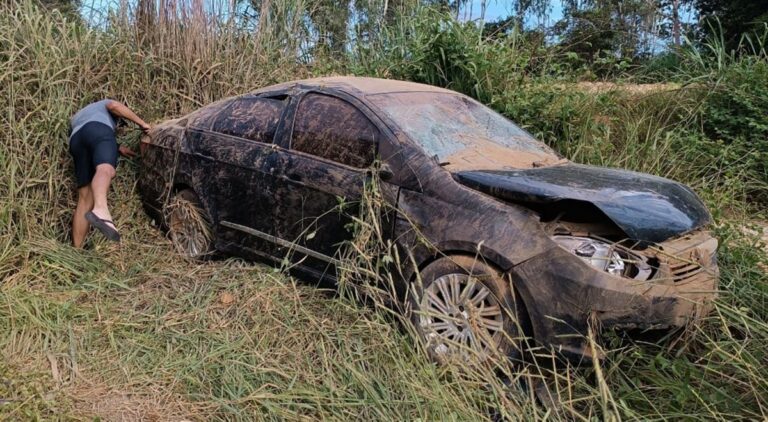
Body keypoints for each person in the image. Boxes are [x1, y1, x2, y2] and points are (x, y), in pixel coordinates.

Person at [68, 99, 150, 247]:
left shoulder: (79, 115)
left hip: (75, 140)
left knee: (85, 197)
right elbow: (114, 106)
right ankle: (100, 208)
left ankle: (76, 250)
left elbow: (89, 135)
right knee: (106, 169)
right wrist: (143, 124)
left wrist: (117, 147)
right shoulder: (105, 104)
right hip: (99, 131)